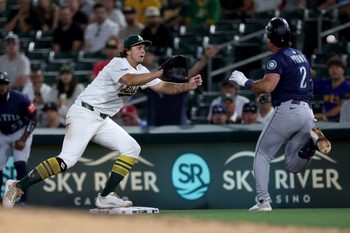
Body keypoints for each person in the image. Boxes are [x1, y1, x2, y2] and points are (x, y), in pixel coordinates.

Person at [2, 34, 202, 208]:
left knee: (132, 148)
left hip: (101, 120)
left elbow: (164, 87)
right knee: (68, 160)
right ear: (127, 51)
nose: (143, 50)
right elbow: (129, 81)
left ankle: (105, 197)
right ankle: (18, 186)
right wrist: (158, 72)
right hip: (84, 113)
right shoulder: (117, 63)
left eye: (144, 48)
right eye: (139, 47)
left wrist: (186, 85)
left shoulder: (142, 71)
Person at [229, 17, 332, 212]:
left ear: (271, 38)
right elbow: (291, 85)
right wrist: (270, 96)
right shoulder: (300, 55)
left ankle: (263, 201)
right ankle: (310, 145)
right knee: (292, 166)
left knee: (262, 154)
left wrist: (245, 82)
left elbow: (267, 85)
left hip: (288, 111)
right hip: (307, 113)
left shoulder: (277, 58)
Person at [0, 72, 37, 204]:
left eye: (4, 83)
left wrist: (23, 139)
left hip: (20, 131)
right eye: (0, 84)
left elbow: (34, 118)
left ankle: (23, 201)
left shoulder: (20, 98)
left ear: (8, 85)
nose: (1, 86)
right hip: (2, 133)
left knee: (19, 164)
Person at [313, 56, 350, 122]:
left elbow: (341, 108)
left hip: (343, 120)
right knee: (312, 127)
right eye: (331, 68)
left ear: (343, 70)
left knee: (318, 122)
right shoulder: (324, 84)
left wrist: (323, 115)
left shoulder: (348, 86)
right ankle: (319, 132)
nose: (334, 70)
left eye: (337, 68)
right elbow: (308, 87)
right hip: (327, 119)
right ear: (328, 71)